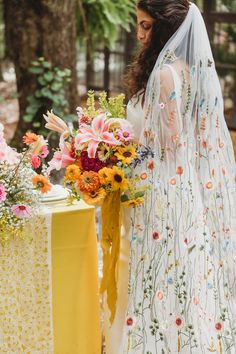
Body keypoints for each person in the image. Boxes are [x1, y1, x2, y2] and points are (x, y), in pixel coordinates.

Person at [103, 1, 236, 353]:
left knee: (155, 270)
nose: (140, 33)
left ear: (167, 30)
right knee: (176, 270)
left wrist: (120, 149)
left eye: (147, 26)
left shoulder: (164, 75)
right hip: (179, 185)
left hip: (158, 188)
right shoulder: (187, 70)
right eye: (140, 25)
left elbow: (170, 142)